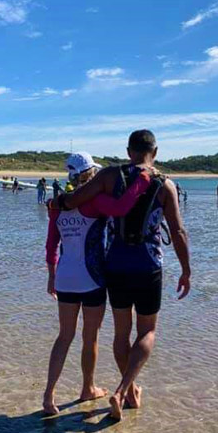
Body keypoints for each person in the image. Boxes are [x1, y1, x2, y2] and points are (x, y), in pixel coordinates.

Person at [54, 129, 191, 421]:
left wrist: (58, 203)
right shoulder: (165, 184)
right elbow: (178, 231)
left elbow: (75, 200)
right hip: (148, 266)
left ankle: (129, 391)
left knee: (120, 335)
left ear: (128, 152)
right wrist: (186, 270)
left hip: (115, 265)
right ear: (155, 152)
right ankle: (121, 390)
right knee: (147, 332)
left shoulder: (109, 176)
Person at [42, 152, 152, 415]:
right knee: (89, 337)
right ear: (90, 174)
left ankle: (48, 397)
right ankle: (87, 388)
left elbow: (51, 245)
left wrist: (52, 275)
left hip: (65, 277)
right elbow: (122, 207)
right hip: (92, 277)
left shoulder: (57, 205)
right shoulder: (95, 201)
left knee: (64, 336)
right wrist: (143, 181)